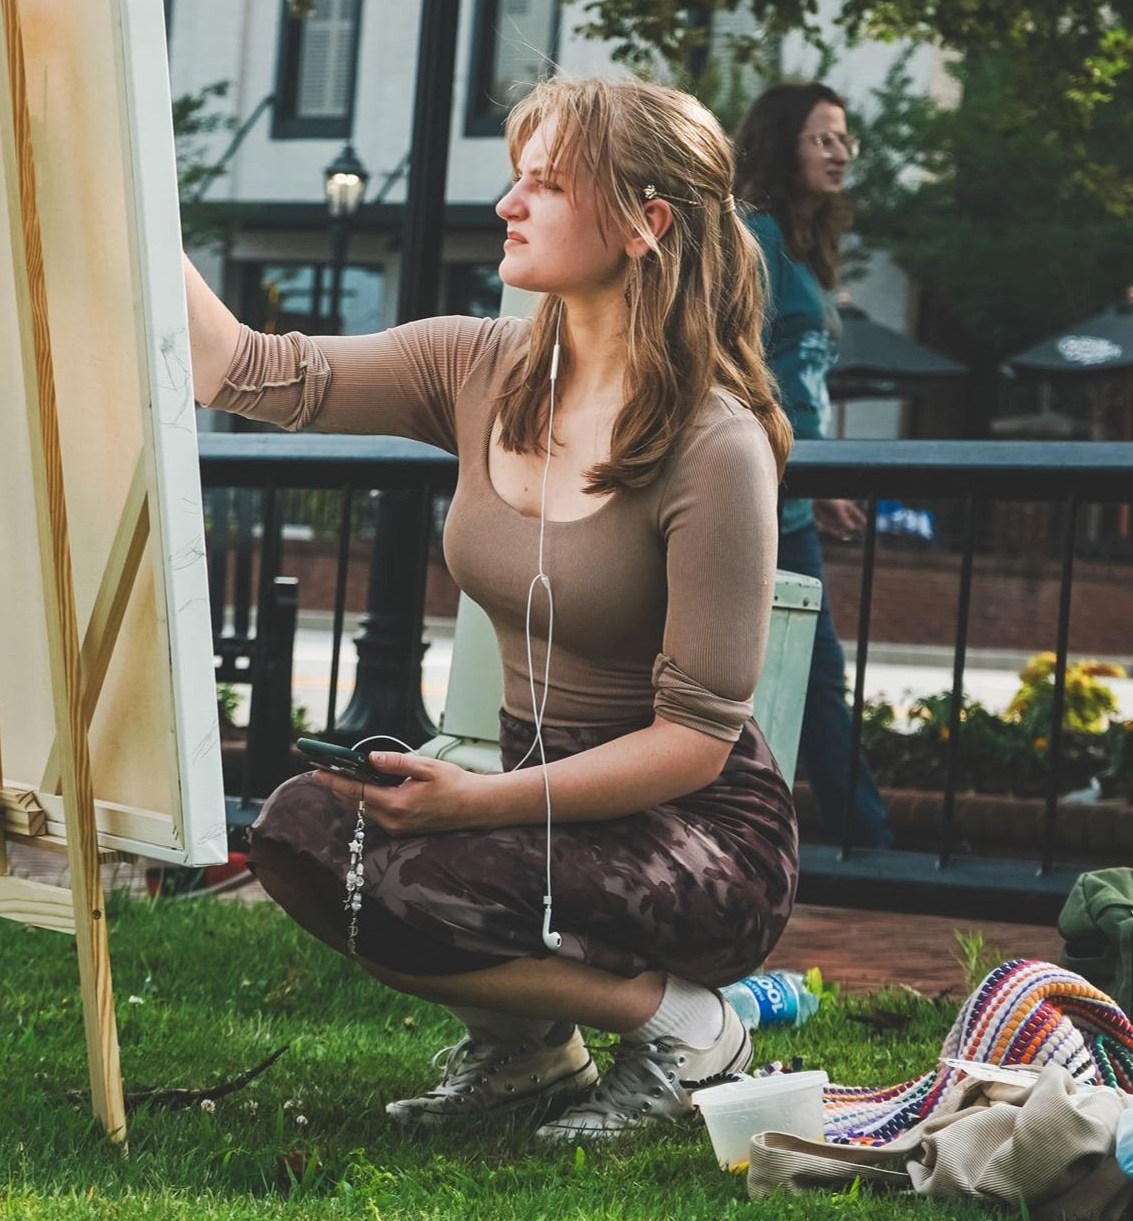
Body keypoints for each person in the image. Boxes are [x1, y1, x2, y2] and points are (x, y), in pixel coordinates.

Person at [181, 74, 798, 1142]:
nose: (508, 203)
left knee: (414, 874)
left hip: (696, 839)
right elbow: (242, 370)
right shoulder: (479, 366)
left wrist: (476, 803)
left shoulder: (715, 444)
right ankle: (528, 1051)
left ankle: (689, 1025)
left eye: (545, 184)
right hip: (534, 800)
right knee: (303, 832)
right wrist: (133, 190)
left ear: (646, 223)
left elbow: (696, 740)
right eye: (517, 177)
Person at [735, 82, 894, 849]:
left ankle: (858, 839)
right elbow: (741, 363)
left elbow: (800, 387)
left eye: (843, 139)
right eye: (821, 138)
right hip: (749, 494)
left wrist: (819, 483)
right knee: (786, 675)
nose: (838, 152)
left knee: (809, 674)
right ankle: (866, 844)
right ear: (781, 145)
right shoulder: (754, 236)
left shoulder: (801, 244)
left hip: (792, 499)